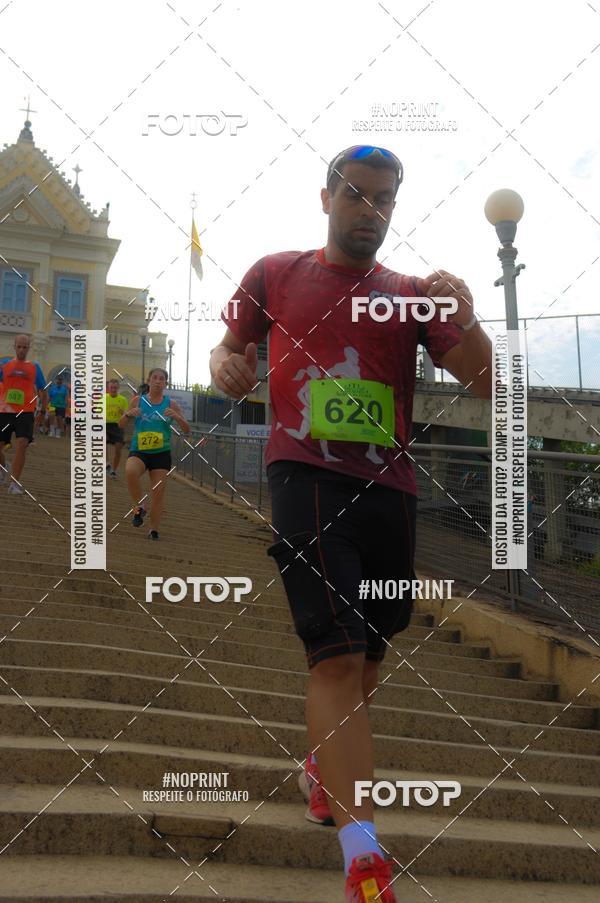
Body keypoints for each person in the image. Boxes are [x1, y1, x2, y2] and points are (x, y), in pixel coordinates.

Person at [209, 145, 493, 902]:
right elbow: (226, 349)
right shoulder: (274, 271)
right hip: (302, 474)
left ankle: (321, 767)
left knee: (367, 659)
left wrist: (466, 316)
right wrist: (225, 365)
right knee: (333, 656)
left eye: (384, 200)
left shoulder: (409, 294)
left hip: (389, 488)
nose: (370, 211)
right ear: (327, 196)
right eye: (356, 195)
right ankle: (363, 856)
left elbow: (488, 381)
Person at [119, 368, 190, 540]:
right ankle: (140, 505)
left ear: (165, 383)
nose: (158, 381)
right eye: (155, 378)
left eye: (161, 379)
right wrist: (128, 414)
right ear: (149, 381)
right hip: (139, 450)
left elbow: (187, 430)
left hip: (161, 454)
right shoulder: (137, 400)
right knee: (130, 472)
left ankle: (153, 529)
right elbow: (120, 424)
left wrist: (178, 417)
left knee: (158, 493)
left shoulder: (171, 404)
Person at [0, 334, 47, 494]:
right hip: (5, 411)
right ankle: (3, 467)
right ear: (14, 346)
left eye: (24, 347)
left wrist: (42, 410)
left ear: (28, 348)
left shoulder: (34, 367)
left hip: (25, 412)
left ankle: (14, 483)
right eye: (19, 346)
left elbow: (42, 390)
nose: (21, 350)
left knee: (21, 445)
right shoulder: (4, 365)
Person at [104, 378, 129, 477]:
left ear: (118, 388)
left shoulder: (123, 400)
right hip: (105, 424)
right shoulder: (103, 398)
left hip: (118, 426)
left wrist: (122, 413)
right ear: (108, 388)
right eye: (111, 387)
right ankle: (106, 464)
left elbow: (127, 415)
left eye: (115, 387)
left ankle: (113, 470)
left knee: (118, 449)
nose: (113, 389)